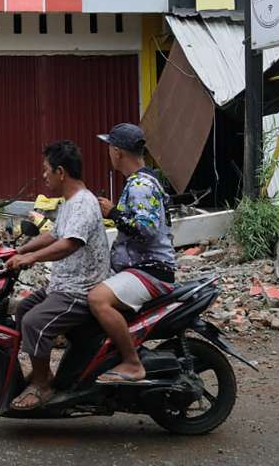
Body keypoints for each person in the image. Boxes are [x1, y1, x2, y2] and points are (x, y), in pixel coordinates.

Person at [4, 140, 110, 410]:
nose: (43, 176)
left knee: (33, 322)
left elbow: (69, 243)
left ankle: (42, 386)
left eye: (46, 170)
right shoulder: (68, 203)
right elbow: (53, 234)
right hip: (62, 284)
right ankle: (45, 372)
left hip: (79, 290)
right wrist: (18, 250)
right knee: (23, 309)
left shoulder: (84, 204)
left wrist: (30, 258)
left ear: (61, 172)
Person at [89, 123, 177, 383]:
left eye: (109, 148)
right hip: (139, 269)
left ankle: (132, 362)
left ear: (118, 152)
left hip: (150, 271)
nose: (108, 153)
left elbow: (146, 230)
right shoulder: (141, 181)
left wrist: (113, 213)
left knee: (97, 299)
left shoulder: (140, 185)